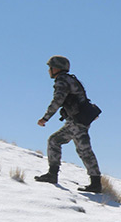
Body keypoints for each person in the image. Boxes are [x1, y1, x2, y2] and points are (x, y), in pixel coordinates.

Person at [35, 56, 102, 192]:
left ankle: (53, 175)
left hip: (77, 121)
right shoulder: (70, 79)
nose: (49, 71)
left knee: (64, 144)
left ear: (57, 68)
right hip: (78, 120)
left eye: (50, 67)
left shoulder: (62, 80)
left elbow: (57, 100)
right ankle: (95, 183)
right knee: (80, 148)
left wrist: (45, 118)